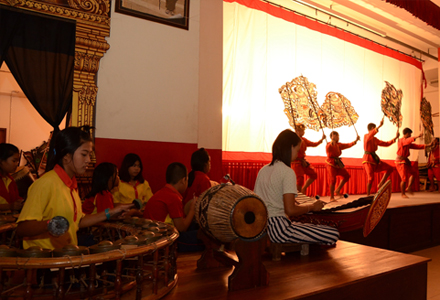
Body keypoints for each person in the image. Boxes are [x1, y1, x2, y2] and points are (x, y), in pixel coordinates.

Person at [16, 126, 132, 250]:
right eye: (84, 154)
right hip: (45, 262)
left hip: (65, 257)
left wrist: (111, 212)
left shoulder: (71, 185)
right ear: (66, 156)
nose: (88, 160)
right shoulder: (46, 183)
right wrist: (51, 224)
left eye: (90, 155)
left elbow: (78, 221)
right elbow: (22, 228)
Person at [254, 129, 339, 246]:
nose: (297, 154)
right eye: (297, 150)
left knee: (307, 227)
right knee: (333, 233)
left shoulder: (264, 169)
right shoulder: (287, 172)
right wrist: (312, 207)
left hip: (261, 226)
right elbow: (290, 210)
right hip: (279, 229)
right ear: (290, 147)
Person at [144, 162, 203, 252]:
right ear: (183, 180)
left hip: (157, 235)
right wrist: (192, 210)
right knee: (205, 237)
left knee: (196, 227)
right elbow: (181, 228)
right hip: (164, 241)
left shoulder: (164, 192)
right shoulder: (173, 197)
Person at [362, 118, 399, 196]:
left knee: (390, 168)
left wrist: (395, 138)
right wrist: (379, 126)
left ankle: (381, 183)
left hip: (375, 159)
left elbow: (385, 144)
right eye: (374, 129)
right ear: (372, 129)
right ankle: (367, 195)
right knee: (371, 178)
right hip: (368, 160)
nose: (376, 131)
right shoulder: (366, 136)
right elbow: (370, 135)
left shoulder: (375, 139)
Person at [395, 128, 433, 198]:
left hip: (405, 160)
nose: (410, 135)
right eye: (409, 134)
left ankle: (409, 187)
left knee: (414, 173)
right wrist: (418, 136)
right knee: (404, 178)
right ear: (406, 134)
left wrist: (428, 145)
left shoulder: (407, 142)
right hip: (400, 162)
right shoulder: (401, 140)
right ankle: (403, 194)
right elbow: (409, 140)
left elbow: (416, 146)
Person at [326, 131, 360, 201]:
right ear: (332, 137)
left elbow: (347, 145)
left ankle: (337, 190)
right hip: (331, 164)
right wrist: (332, 142)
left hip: (337, 163)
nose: (338, 137)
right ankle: (331, 197)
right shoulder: (329, 144)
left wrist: (355, 140)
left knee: (347, 175)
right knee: (333, 180)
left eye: (338, 136)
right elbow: (329, 147)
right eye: (336, 136)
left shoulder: (339, 145)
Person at [293, 124, 326, 194]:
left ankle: (303, 189)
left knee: (314, 174)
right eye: (302, 131)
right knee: (300, 179)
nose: (304, 132)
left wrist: (321, 139)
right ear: (297, 131)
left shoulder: (303, 140)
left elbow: (313, 144)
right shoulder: (292, 140)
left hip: (302, 161)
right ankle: (298, 196)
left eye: (304, 131)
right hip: (296, 162)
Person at [0, 143, 23, 211]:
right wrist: (9, 206)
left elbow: (16, 199)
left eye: (18, 161)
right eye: (14, 161)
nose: (17, 164)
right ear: (1, 161)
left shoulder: (10, 179)